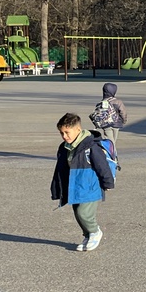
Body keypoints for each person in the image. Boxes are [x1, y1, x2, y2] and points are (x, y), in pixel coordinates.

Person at [51, 112, 115, 251]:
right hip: (75, 186)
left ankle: (95, 232)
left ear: (78, 130)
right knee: (77, 213)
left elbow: (101, 166)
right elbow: (60, 169)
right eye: (61, 133)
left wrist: (107, 183)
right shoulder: (64, 147)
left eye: (67, 132)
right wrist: (57, 187)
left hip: (91, 185)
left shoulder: (91, 146)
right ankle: (87, 235)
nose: (64, 136)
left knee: (84, 213)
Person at [89, 82, 128, 148]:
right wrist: (124, 121)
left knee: (110, 141)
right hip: (117, 124)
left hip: (106, 124)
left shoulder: (101, 102)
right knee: (113, 141)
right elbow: (123, 112)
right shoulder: (118, 102)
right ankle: (113, 155)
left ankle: (111, 153)